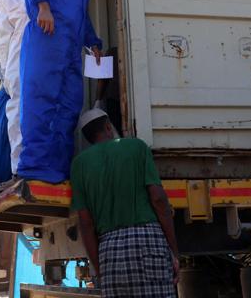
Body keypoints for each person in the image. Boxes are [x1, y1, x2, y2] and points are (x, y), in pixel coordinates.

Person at [18, 0, 103, 183]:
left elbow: (81, 11)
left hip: (72, 47)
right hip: (47, 35)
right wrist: (42, 7)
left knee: (69, 105)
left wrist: (92, 41)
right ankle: (34, 167)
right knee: (41, 99)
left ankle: (57, 170)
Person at [71, 108, 179, 297]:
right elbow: (159, 200)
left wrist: (100, 268)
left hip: (110, 250)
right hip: (149, 242)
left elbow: (86, 224)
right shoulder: (137, 147)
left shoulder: (80, 164)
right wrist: (174, 250)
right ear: (108, 127)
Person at [0, 0, 30, 180]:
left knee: (16, 110)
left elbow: (5, 38)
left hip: (17, 54)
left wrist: (4, 72)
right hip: (38, 51)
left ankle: (19, 168)